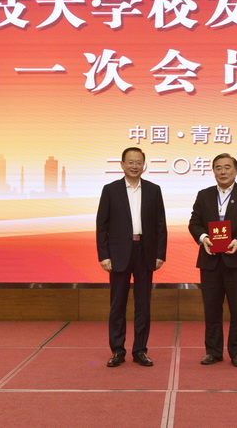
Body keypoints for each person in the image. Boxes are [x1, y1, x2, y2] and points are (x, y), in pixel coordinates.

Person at [188, 153, 237, 367]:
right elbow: (194, 223)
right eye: (218, 168)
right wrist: (203, 238)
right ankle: (213, 352)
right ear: (213, 171)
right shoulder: (204, 195)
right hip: (210, 260)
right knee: (211, 309)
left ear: (236, 170)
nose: (223, 171)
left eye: (227, 167)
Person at [96, 147, 167, 367]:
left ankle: (140, 350)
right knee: (117, 304)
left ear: (144, 165)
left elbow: (160, 225)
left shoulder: (154, 190)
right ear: (122, 164)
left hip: (145, 252)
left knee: (143, 305)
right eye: (130, 162)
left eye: (138, 162)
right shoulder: (111, 190)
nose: (134, 166)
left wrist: (160, 254)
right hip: (118, 253)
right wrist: (104, 255)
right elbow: (101, 225)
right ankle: (117, 351)